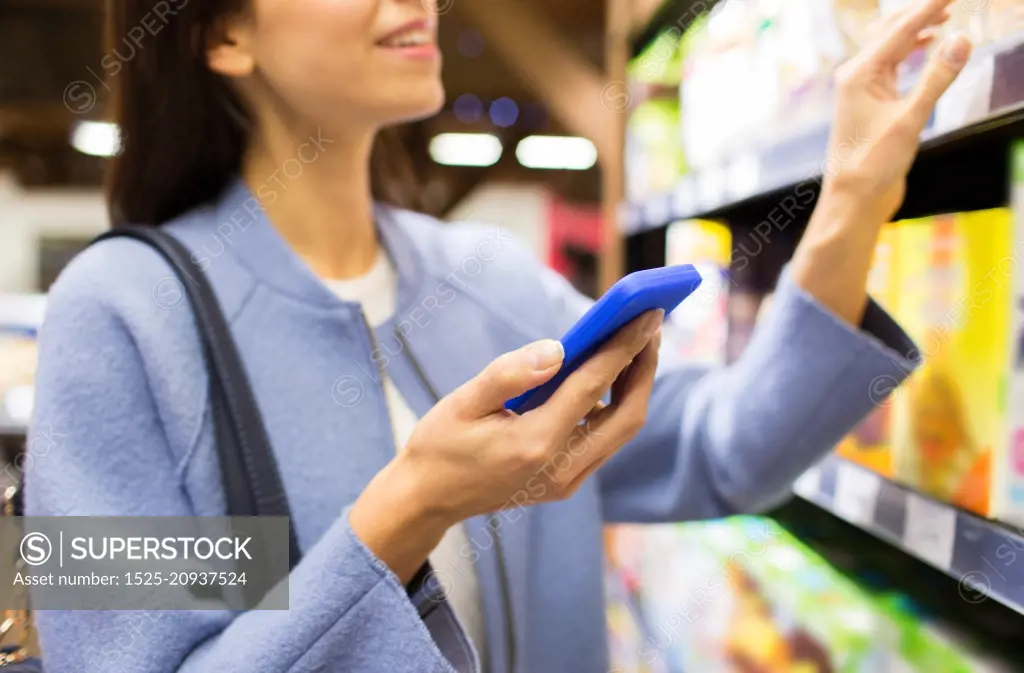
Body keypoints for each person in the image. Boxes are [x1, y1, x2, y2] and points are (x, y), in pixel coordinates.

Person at [26, 0, 971, 671]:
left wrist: (852, 193)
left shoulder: (486, 279)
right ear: (223, 33)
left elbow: (726, 451)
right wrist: (408, 510)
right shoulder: (117, 318)